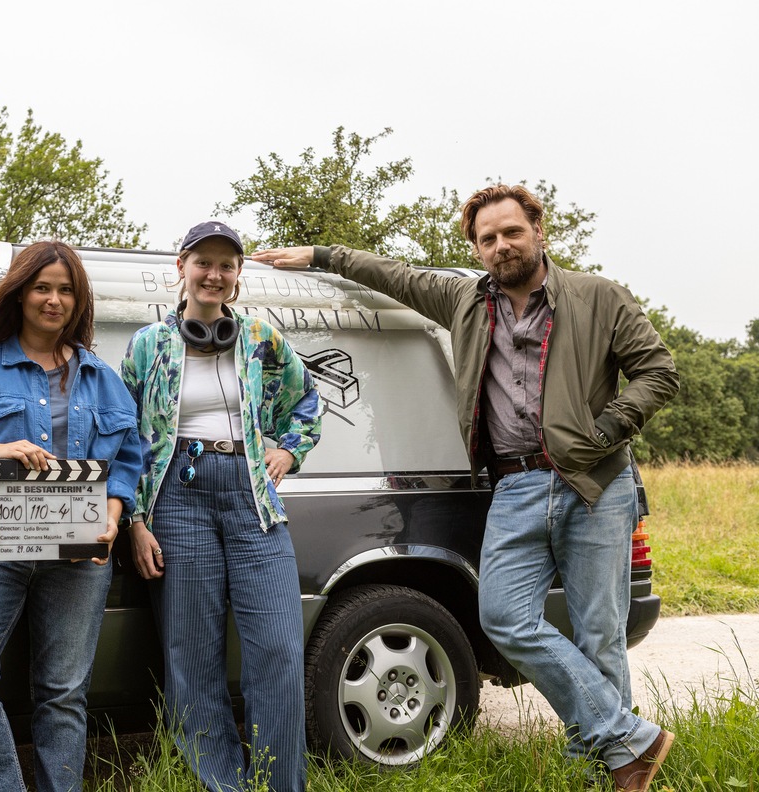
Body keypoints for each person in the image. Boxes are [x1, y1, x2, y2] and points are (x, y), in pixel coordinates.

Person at [252, 184, 680, 791]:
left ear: (538, 230)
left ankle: (603, 769)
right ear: (475, 248)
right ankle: (632, 738)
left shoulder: (597, 295)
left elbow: (658, 372)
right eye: (487, 238)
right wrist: (320, 254)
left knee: (598, 633)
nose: (501, 246)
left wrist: (607, 428)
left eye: (512, 232)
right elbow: (391, 274)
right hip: (514, 486)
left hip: (595, 482)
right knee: (502, 617)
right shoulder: (463, 299)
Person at [0, 240, 143, 792]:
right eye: (43, 287)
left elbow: (129, 461)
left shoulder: (103, 379)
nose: (53, 300)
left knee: (64, 692)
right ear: (20, 293)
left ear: (78, 301)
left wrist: (113, 516)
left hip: (82, 550)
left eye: (66, 290)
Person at [121, 221, 322, 792]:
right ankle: (223, 783)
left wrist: (288, 451)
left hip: (251, 496)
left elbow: (306, 399)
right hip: (176, 497)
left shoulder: (261, 336)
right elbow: (127, 437)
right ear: (181, 268)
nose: (214, 273)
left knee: (279, 650)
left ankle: (281, 783)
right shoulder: (147, 345)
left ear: (237, 277)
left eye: (226, 265)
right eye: (203, 262)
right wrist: (136, 519)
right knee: (191, 654)